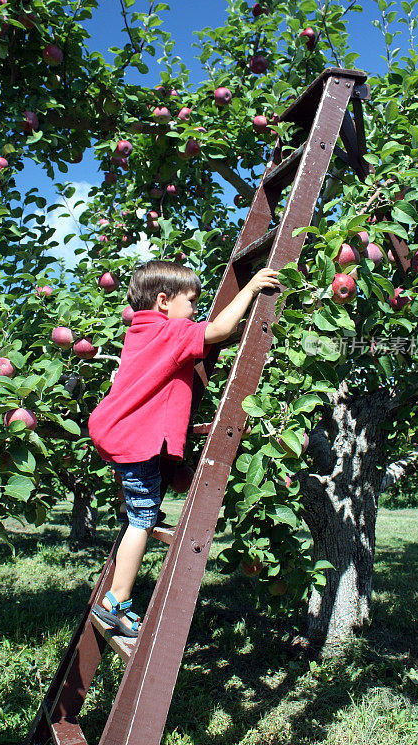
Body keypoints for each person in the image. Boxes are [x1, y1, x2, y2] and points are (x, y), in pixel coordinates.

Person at [88, 259, 280, 637]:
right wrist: (252, 286)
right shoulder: (172, 333)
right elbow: (222, 329)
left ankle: (119, 605)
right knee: (142, 521)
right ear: (163, 301)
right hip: (135, 439)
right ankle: (117, 600)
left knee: (140, 510)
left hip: (118, 431)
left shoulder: (140, 332)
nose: (195, 311)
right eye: (191, 302)